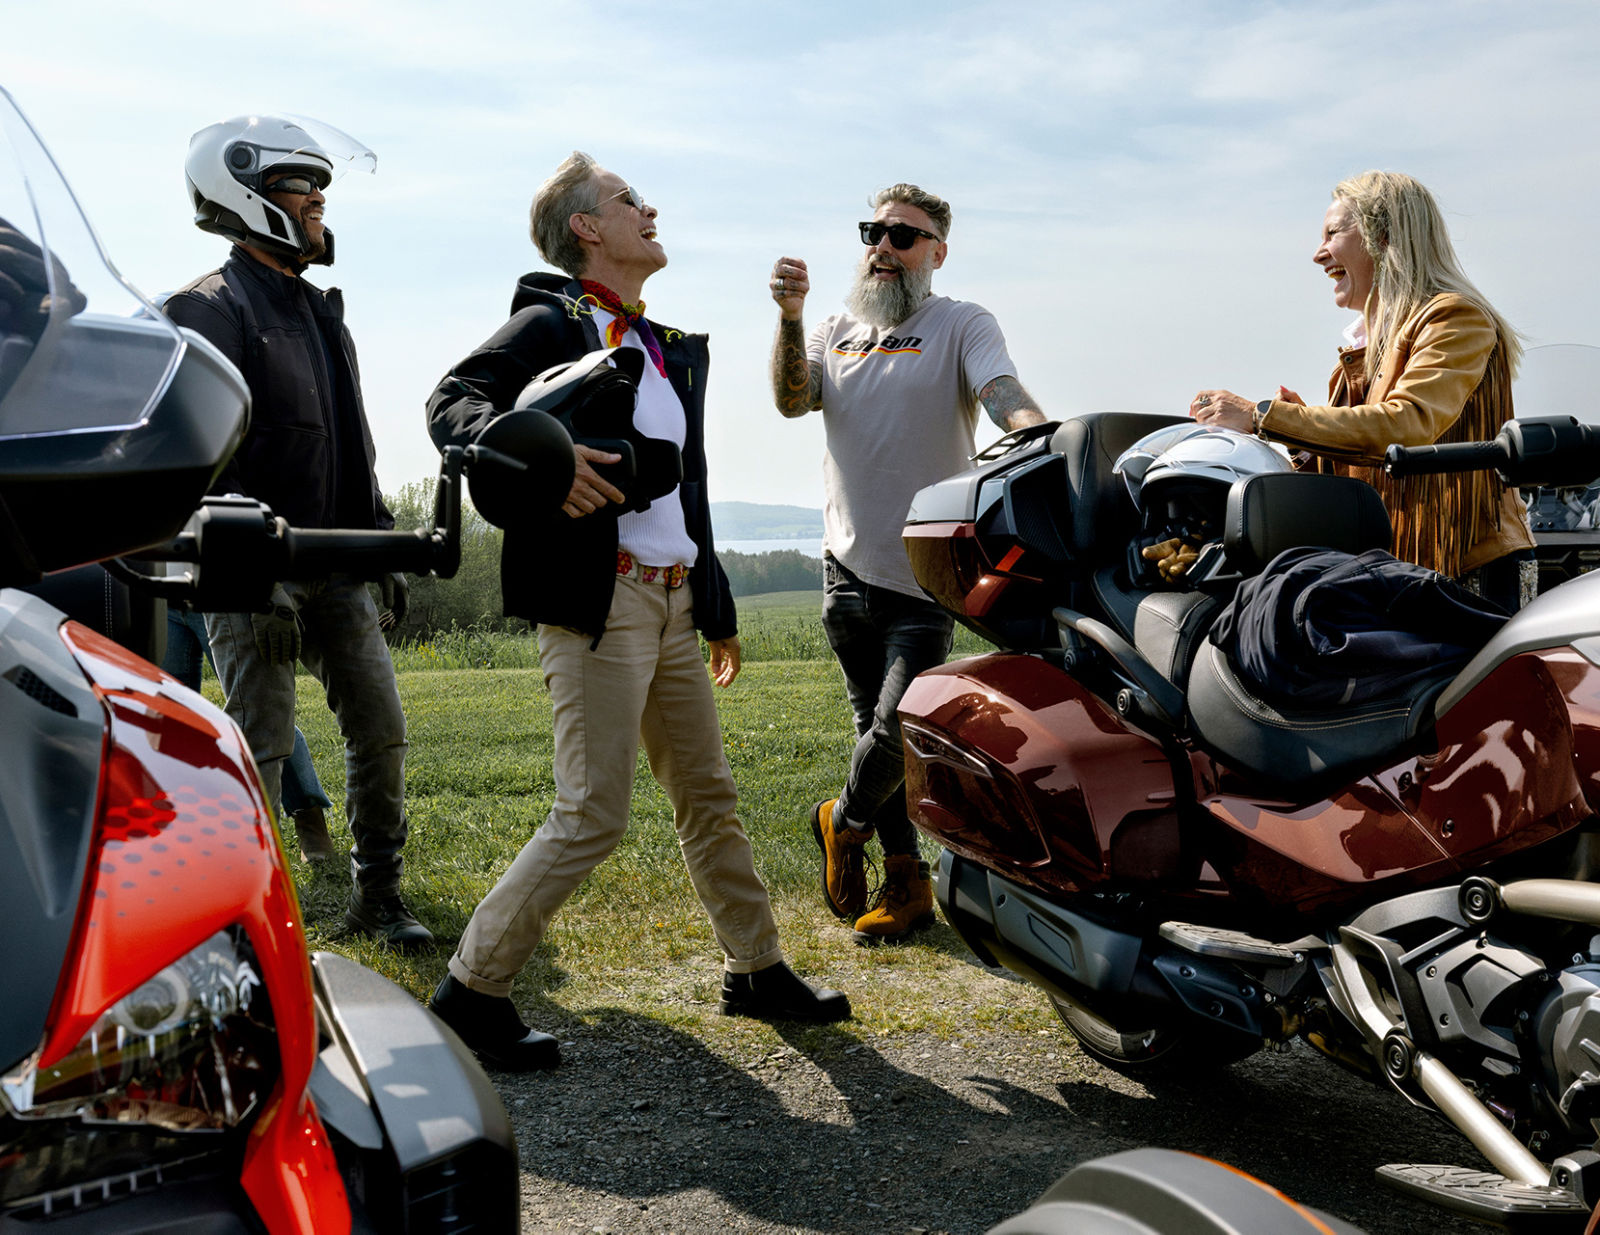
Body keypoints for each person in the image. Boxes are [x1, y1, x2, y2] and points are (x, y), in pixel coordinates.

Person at [424, 152, 851, 1071]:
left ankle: (755, 968)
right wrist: (539, 462)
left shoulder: (659, 345)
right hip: (599, 599)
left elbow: (688, 491)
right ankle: (470, 992)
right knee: (592, 812)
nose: (649, 210)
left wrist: (715, 603)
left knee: (708, 796)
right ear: (586, 227)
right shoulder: (551, 320)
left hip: (672, 597)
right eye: (629, 200)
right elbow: (453, 402)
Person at [164, 114, 430, 948]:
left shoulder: (320, 310)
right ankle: (239, 920)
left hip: (339, 562)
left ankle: (379, 894)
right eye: (298, 183)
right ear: (243, 192)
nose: (317, 198)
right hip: (252, 571)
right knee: (261, 744)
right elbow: (201, 453)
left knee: (380, 728)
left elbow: (350, 437)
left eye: (319, 185)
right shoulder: (206, 307)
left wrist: (380, 539)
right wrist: (255, 575)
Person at [768, 184, 1046, 944]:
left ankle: (842, 819)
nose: (883, 247)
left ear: (937, 252)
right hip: (845, 563)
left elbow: (1000, 391)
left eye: (903, 236)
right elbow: (794, 400)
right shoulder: (833, 327)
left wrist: (1041, 441)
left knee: (900, 727)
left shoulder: (960, 323)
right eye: (874, 233)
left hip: (927, 567)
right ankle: (906, 883)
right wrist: (789, 317)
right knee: (872, 725)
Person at [1190, 170, 1536, 614]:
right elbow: (1366, 471)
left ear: (1384, 236)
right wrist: (1301, 444)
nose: (1318, 254)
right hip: (1403, 573)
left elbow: (1406, 426)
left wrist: (1262, 415)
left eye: (1332, 233)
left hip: (1470, 574)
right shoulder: (1364, 351)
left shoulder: (1453, 317)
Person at [162, 606, 337, 862]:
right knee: (173, 721)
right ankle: (187, 828)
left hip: (213, 595)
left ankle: (308, 816)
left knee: (260, 712)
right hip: (163, 601)